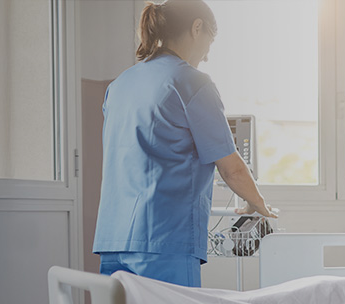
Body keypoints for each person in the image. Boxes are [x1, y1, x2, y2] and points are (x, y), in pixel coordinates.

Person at [93, 0, 274, 288]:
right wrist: (257, 203)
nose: (207, 56)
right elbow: (231, 168)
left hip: (113, 237)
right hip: (164, 239)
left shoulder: (120, 84)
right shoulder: (192, 82)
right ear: (197, 27)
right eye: (209, 44)